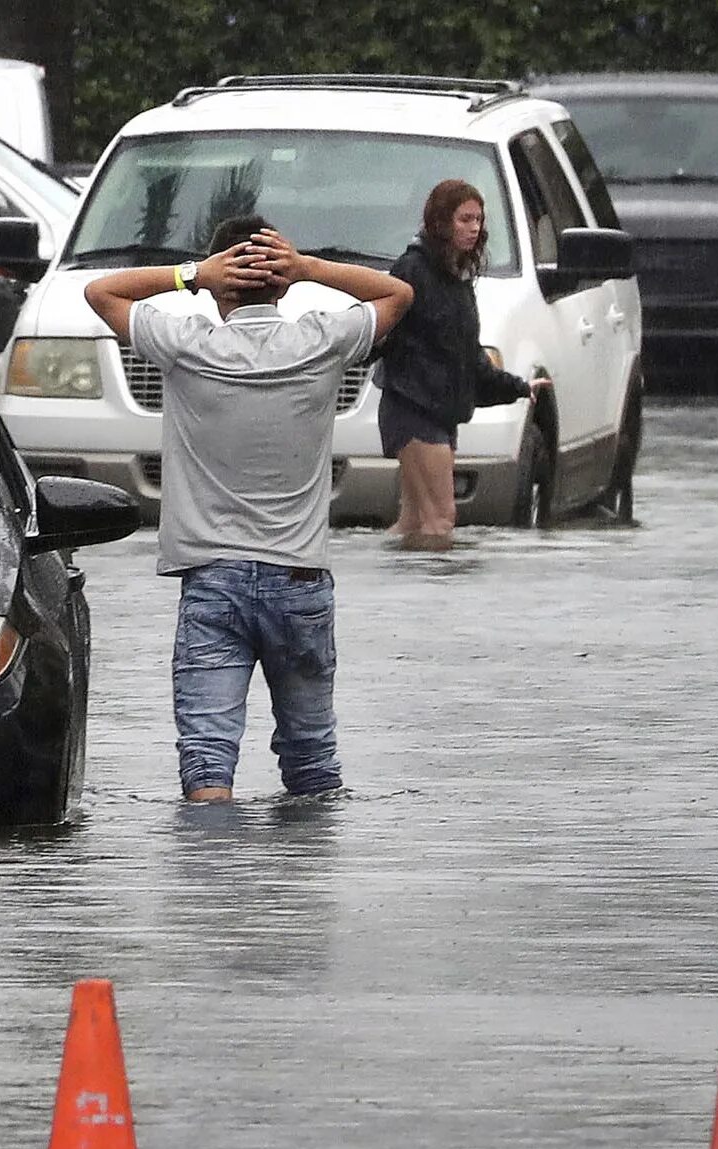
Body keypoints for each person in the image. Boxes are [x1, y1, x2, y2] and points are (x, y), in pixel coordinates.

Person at [83, 216, 412, 802]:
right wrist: (308, 267)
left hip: (213, 583)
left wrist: (191, 276)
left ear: (219, 283)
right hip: (301, 581)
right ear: (281, 284)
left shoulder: (186, 345)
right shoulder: (322, 340)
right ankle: (309, 889)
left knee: (208, 765)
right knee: (313, 762)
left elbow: (99, 291)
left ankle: (210, 888)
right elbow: (398, 294)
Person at [377, 179, 549, 549]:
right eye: (464, 219)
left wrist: (518, 387)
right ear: (441, 222)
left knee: (413, 521)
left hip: (440, 412)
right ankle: (438, 601)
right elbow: (381, 329)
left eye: (478, 220)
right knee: (441, 519)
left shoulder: (457, 279)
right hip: (412, 409)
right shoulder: (412, 270)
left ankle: (400, 591)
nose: (474, 228)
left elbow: (469, 358)